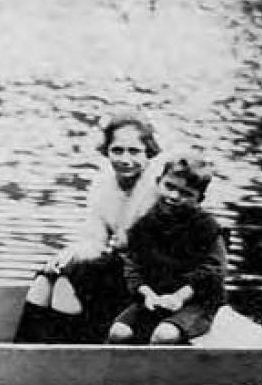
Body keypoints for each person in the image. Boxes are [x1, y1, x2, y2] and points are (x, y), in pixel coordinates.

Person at [16, 114, 164, 344]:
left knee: (69, 282)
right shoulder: (103, 185)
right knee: (46, 279)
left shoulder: (158, 188)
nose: (125, 159)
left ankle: (67, 358)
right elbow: (94, 241)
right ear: (107, 151)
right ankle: (24, 351)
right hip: (119, 266)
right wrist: (67, 256)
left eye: (134, 151)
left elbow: (131, 244)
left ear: (149, 153)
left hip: (148, 276)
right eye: (117, 150)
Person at [108, 152, 227, 345]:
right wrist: (147, 294)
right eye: (169, 187)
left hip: (194, 301)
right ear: (158, 182)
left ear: (200, 198)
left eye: (186, 193)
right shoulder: (145, 222)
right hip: (154, 296)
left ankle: (160, 374)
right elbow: (132, 264)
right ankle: (120, 374)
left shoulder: (206, 227)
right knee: (118, 332)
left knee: (164, 335)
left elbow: (213, 271)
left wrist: (179, 297)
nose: (174, 196)